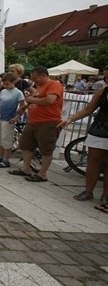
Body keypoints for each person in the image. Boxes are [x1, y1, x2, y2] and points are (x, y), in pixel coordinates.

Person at [60, 65, 108, 211]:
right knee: (93, 161)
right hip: (100, 129)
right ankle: (88, 191)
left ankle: (106, 195)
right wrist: (70, 119)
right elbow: (88, 109)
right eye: (105, 76)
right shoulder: (102, 91)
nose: (106, 79)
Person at [8, 66, 63, 182]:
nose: (34, 81)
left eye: (36, 78)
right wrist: (24, 107)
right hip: (33, 121)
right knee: (26, 145)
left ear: (43, 75)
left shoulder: (54, 85)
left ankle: (42, 174)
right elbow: (32, 101)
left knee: (46, 149)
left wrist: (32, 100)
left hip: (48, 122)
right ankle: (26, 169)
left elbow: (49, 100)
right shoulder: (39, 87)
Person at [0, 73, 26, 168]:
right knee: (0, 139)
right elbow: (0, 105)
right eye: (4, 84)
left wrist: (16, 117)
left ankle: (6, 159)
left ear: (13, 82)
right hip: (0, 117)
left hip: (9, 119)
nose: (5, 86)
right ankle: (0, 157)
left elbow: (22, 106)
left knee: (7, 140)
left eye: (7, 84)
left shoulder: (18, 93)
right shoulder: (3, 92)